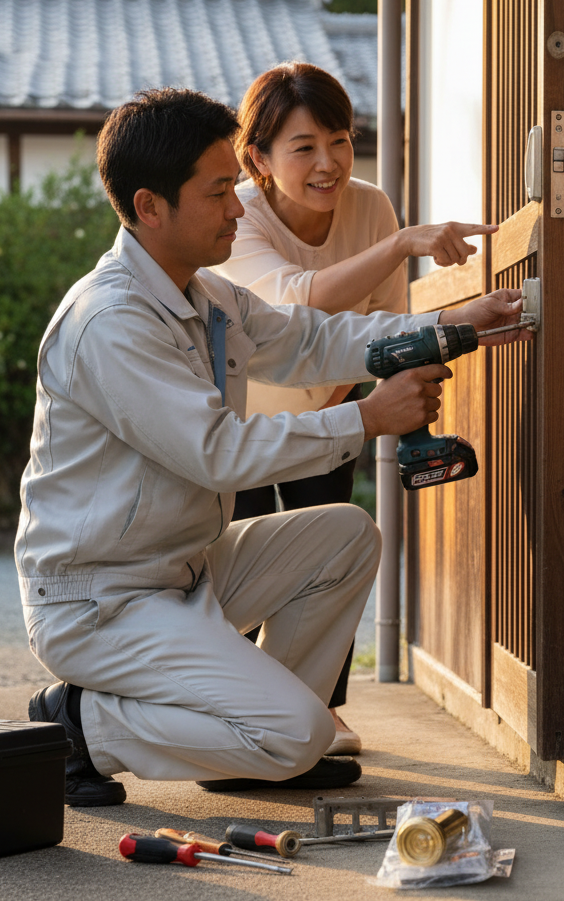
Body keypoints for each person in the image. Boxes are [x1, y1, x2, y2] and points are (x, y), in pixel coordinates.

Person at [17, 87, 530, 807]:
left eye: (235, 185)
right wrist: (367, 420)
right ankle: (79, 725)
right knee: (297, 735)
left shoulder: (205, 297)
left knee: (345, 535)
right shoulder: (111, 321)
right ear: (149, 206)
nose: (237, 207)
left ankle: (255, 748)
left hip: (183, 574)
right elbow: (217, 452)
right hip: (102, 601)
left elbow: (315, 340)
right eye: (219, 190)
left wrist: (453, 324)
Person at [213, 62, 499, 755]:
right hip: (242, 420)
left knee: (334, 548)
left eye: (339, 141)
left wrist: (384, 404)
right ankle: (231, 708)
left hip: (330, 405)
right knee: (244, 557)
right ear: (259, 158)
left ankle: (317, 704)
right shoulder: (236, 215)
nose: (327, 163)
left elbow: (385, 325)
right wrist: (403, 244)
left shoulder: (370, 206)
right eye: (303, 147)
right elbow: (293, 302)